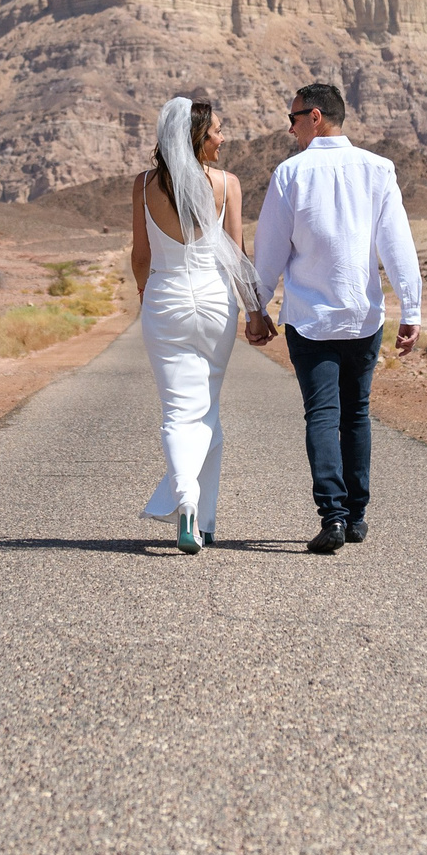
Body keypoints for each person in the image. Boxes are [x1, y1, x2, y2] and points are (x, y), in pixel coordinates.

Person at [245, 83, 421, 554]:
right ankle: (357, 516)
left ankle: (335, 517)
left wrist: (257, 307)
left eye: (294, 118)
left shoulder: (290, 173)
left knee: (323, 414)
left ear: (316, 116)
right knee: (356, 412)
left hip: (310, 317)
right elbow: (397, 245)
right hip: (364, 316)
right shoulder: (379, 169)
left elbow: (270, 250)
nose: (290, 127)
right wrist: (412, 307)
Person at [130, 96, 261, 554]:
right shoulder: (227, 185)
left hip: (165, 299)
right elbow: (238, 255)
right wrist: (256, 310)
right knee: (206, 408)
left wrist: (146, 297)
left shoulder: (145, 185)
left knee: (177, 411)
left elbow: (142, 256)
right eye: (216, 132)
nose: (223, 139)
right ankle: (204, 521)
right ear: (196, 138)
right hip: (214, 303)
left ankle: (187, 501)